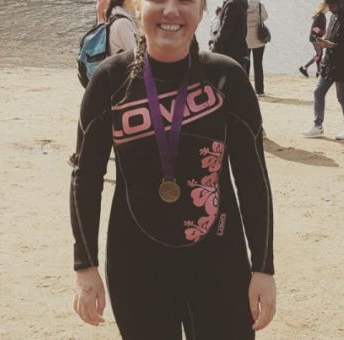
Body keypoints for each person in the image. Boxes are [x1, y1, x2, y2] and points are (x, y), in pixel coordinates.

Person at [70, 0, 276, 338]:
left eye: (185, 1)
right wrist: (85, 266)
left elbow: (253, 178)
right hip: (136, 267)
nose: (171, 11)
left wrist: (263, 268)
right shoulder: (110, 79)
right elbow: (86, 177)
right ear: (138, 7)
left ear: (201, 10)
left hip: (220, 264)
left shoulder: (226, 78)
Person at [302, 0, 344, 140]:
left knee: (343, 97)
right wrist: (323, 42)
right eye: (329, 6)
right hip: (329, 62)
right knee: (318, 91)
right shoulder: (334, 16)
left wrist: (333, 45)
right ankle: (317, 126)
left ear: (342, 3)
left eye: (332, 6)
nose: (330, 9)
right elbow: (330, 36)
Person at [214, 0, 251, 69]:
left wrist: (215, 45)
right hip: (239, 49)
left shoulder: (233, 4)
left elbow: (225, 29)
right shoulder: (240, 3)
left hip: (231, 51)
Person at [246, 0, 269, 96]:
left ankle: (246, 89)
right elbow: (265, 16)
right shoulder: (259, 5)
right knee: (258, 65)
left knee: (246, 65)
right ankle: (259, 91)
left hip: (245, 39)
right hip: (258, 39)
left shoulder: (243, 5)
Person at [300, 3, 328, 77]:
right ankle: (304, 67)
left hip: (317, 37)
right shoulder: (320, 16)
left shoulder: (321, 15)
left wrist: (323, 33)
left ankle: (318, 71)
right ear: (325, 7)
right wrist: (322, 32)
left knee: (320, 54)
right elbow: (314, 28)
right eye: (328, 7)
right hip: (314, 37)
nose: (329, 8)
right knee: (318, 55)